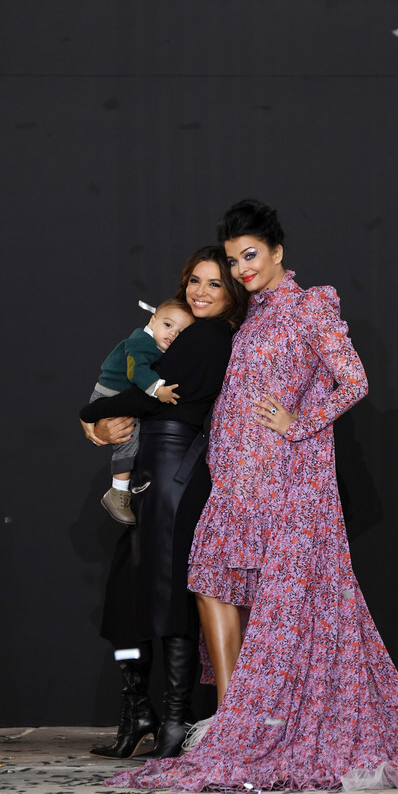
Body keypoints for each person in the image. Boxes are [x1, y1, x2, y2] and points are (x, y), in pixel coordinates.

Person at [106, 201, 398, 791]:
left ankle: (258, 728)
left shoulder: (310, 305)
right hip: (232, 478)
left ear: (278, 252)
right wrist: (103, 417)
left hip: (287, 481)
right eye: (234, 260)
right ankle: (235, 721)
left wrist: (297, 422)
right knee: (214, 582)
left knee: (283, 606)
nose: (242, 268)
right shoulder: (245, 315)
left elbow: (354, 380)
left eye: (251, 255)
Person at [81, 245, 247, 759]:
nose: (200, 291)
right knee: (128, 594)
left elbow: (148, 395)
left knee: (167, 593)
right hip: (154, 468)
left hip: (177, 468)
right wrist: (100, 424)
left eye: (214, 283)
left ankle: (175, 719)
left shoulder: (210, 335)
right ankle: (138, 710)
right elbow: (140, 388)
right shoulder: (186, 330)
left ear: (232, 291)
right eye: (194, 280)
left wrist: (91, 412)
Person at [83, 299, 194, 524]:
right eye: (168, 325)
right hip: (110, 395)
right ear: (152, 321)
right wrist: (158, 390)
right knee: (129, 439)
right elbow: (137, 371)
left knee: (134, 437)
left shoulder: (157, 345)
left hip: (118, 396)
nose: (173, 334)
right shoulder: (141, 342)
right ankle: (117, 492)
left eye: (181, 332)